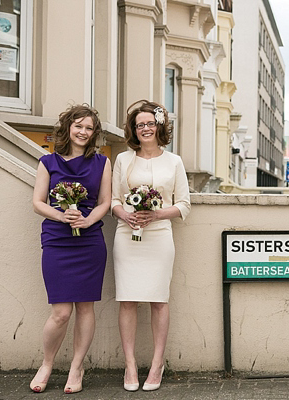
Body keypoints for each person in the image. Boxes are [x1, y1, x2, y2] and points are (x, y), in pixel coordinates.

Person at [30, 105, 112, 394]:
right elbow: (38, 202)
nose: (83, 132)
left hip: (89, 241)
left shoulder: (102, 162)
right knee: (61, 312)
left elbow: (105, 201)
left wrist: (88, 219)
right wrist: (61, 215)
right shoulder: (47, 162)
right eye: (78, 126)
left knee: (85, 307)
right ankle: (47, 363)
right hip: (56, 240)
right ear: (67, 128)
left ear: (94, 134)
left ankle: (77, 367)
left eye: (89, 128)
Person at [111, 100, 190, 392]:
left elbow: (184, 204)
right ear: (134, 129)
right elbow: (114, 200)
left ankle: (157, 364)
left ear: (160, 126)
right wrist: (126, 215)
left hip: (159, 237)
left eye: (150, 123)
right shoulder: (122, 159)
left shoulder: (175, 161)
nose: (145, 128)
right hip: (126, 235)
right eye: (139, 124)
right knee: (128, 299)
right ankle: (130, 365)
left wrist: (156, 214)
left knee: (159, 300)